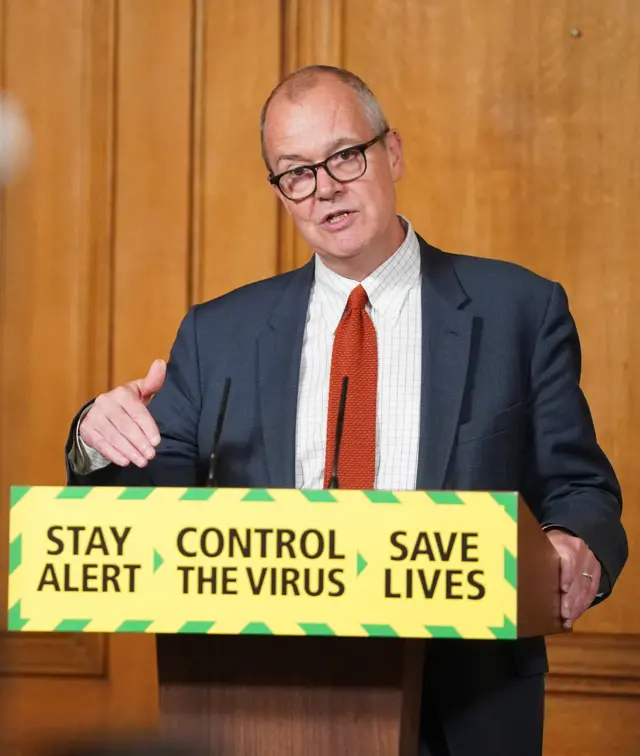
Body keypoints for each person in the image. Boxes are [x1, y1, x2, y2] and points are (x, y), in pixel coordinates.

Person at [65, 65, 628, 756]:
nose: (324, 186)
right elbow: (150, 507)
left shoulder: (520, 309)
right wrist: (98, 436)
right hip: (260, 706)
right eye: (295, 172)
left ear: (391, 153)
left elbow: (582, 490)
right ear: (280, 192)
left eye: (344, 156)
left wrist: (574, 544)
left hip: (466, 708)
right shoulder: (218, 335)